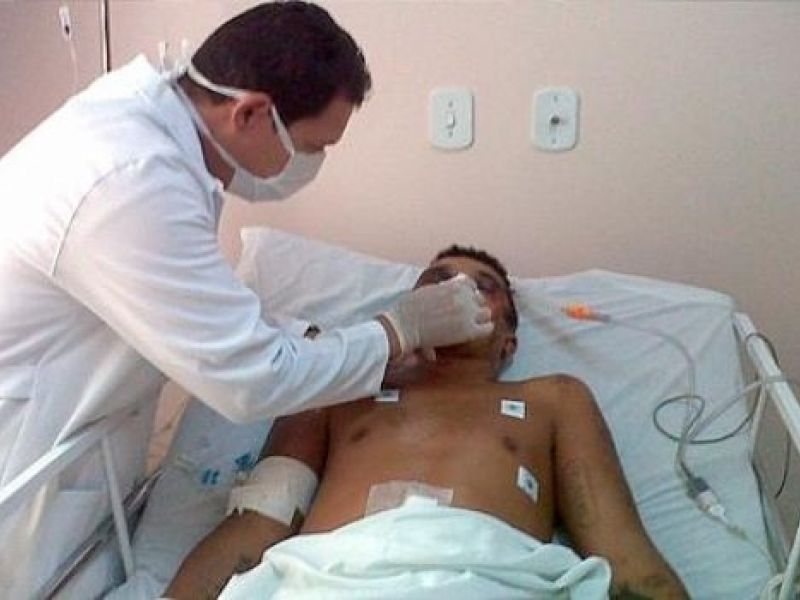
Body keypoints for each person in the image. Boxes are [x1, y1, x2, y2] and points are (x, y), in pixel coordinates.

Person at [0, 2, 491, 595]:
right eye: (312, 146)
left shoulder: (155, 136)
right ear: (251, 112)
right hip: (26, 460)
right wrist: (395, 330)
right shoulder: (129, 180)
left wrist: (327, 340)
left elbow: (198, 303)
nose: (313, 163)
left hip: (74, 445)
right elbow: (253, 381)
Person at [166, 245, 689, 599]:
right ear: (410, 312)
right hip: (333, 581)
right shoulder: (337, 388)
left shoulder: (553, 399)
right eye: (437, 281)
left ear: (509, 343)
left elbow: (621, 550)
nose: (457, 288)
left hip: (489, 579)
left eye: (483, 286)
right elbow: (257, 524)